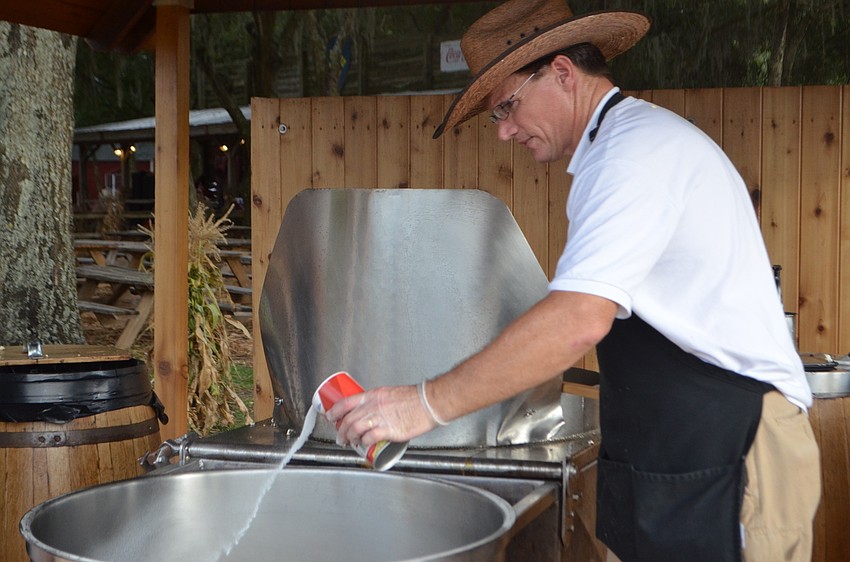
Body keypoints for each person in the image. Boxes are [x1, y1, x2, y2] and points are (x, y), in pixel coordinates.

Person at [326, 1, 821, 561]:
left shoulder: (634, 154)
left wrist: (422, 405)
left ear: (562, 73)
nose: (505, 132)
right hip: (675, 454)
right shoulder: (613, 152)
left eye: (508, 107)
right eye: (497, 116)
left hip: (732, 450)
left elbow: (577, 321)